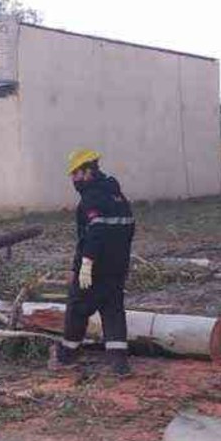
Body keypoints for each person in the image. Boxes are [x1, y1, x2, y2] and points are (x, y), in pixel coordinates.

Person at [49, 148, 135, 377]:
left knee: (77, 307)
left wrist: (85, 266)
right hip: (117, 266)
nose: (73, 179)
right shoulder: (117, 196)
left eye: (76, 173)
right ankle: (119, 364)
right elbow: (128, 229)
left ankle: (66, 356)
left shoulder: (91, 198)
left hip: (95, 267)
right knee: (113, 310)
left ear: (88, 172)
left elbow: (95, 233)